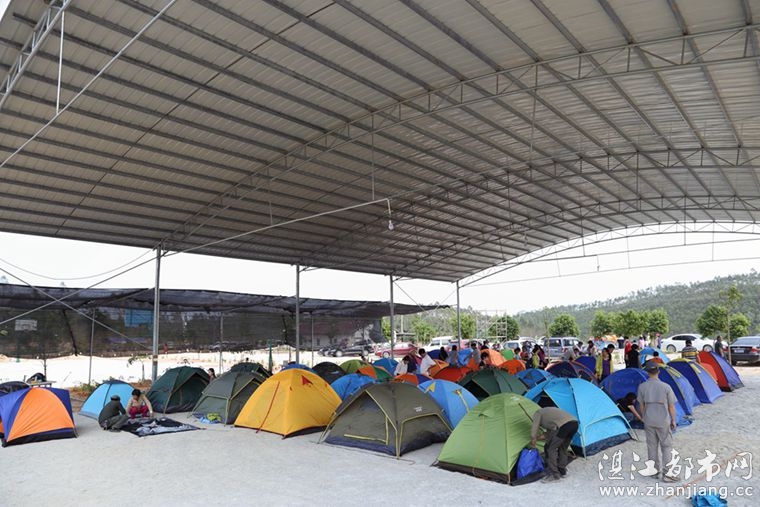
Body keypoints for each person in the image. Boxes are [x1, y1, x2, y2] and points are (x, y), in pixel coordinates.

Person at [637, 361, 678, 481]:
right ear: (658, 372)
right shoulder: (666, 387)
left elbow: (641, 405)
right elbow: (671, 406)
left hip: (649, 419)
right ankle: (667, 474)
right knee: (666, 446)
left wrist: (644, 417)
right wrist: (673, 420)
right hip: (663, 420)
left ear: (647, 372)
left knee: (652, 447)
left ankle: (654, 472)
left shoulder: (642, 387)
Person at [530, 406, 579, 482]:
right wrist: (537, 438)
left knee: (550, 449)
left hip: (564, 426)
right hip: (574, 424)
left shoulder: (537, 414)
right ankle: (562, 471)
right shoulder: (548, 415)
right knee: (563, 448)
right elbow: (549, 433)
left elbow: (534, 429)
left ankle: (554, 475)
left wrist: (533, 441)